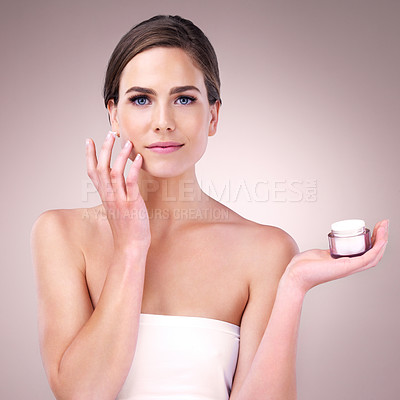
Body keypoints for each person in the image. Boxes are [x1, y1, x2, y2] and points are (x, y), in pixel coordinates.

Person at [31, 14, 389, 400]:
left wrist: (293, 288)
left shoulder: (266, 251)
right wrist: (131, 249)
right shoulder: (61, 234)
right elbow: (80, 393)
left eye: (184, 99)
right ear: (114, 115)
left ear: (213, 115)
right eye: (141, 99)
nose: (163, 122)